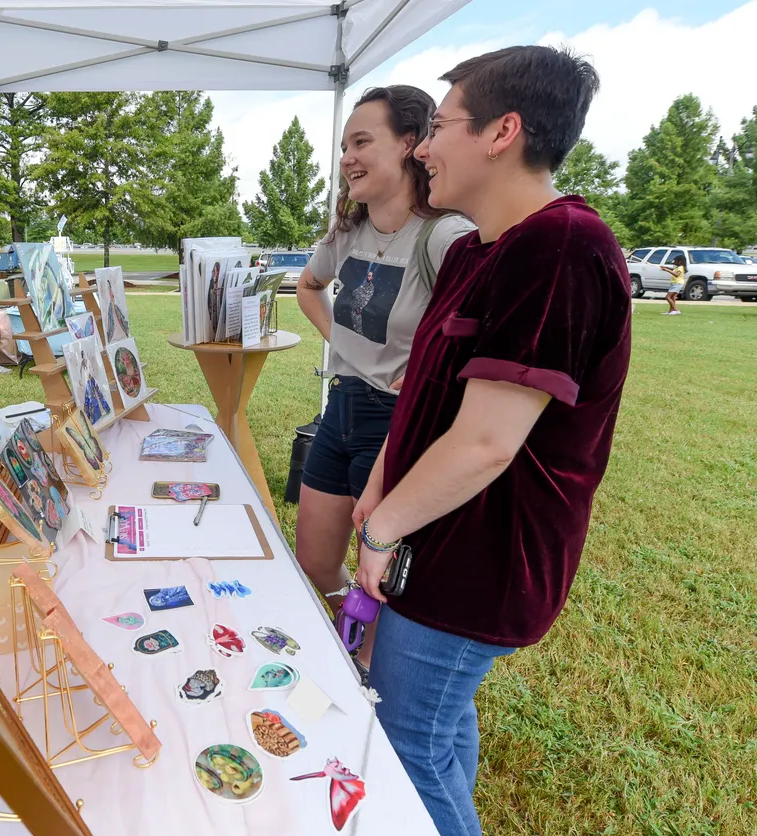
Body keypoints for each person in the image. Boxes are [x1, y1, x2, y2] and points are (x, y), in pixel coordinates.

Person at [352, 46, 631, 835]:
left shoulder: (563, 247)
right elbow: (424, 399)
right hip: (428, 539)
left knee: (410, 741)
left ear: (503, 131)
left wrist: (381, 527)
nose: (422, 147)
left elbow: (485, 443)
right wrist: (378, 487)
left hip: (480, 560)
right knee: (438, 727)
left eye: (438, 126)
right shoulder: (475, 250)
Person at [294, 85, 474, 670]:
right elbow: (307, 287)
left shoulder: (444, 238)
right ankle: (356, 640)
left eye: (362, 141)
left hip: (397, 423)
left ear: (410, 146)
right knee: (316, 562)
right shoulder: (347, 232)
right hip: (341, 406)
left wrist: (420, 379)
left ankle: (366, 674)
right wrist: (344, 346)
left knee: (381, 575)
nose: (347, 156)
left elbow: (473, 340)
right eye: (345, 144)